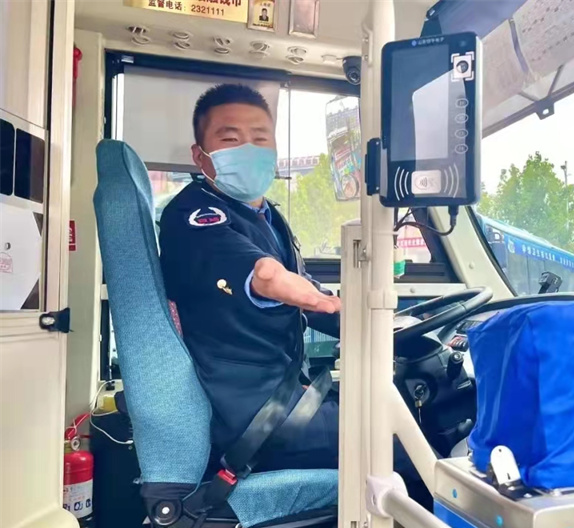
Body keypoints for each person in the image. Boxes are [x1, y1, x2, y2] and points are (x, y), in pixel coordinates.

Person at [158, 84, 428, 503]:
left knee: (399, 413)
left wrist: (376, 320)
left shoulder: (266, 216)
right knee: (409, 442)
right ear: (200, 155)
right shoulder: (193, 216)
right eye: (230, 139)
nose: (248, 150)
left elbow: (303, 288)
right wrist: (323, 302)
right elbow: (267, 277)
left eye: (260, 138)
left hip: (283, 395)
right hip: (251, 418)